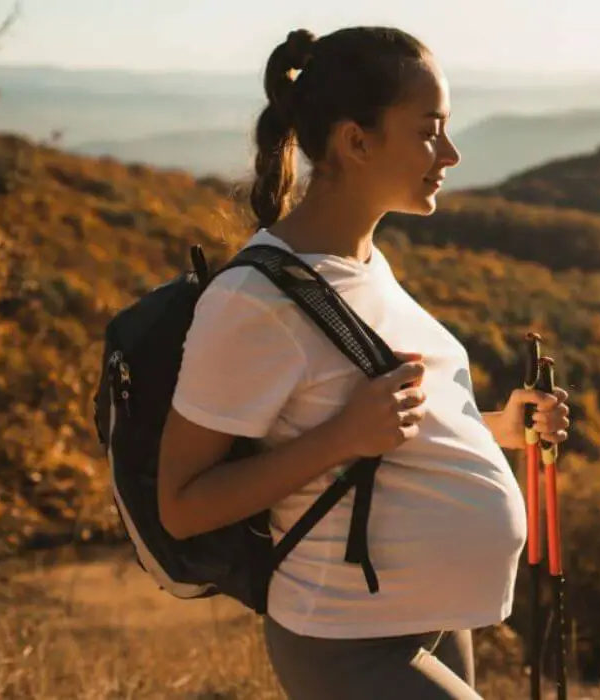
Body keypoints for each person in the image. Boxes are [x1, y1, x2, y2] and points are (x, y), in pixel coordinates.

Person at [156, 26, 570, 700]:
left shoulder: (363, 263)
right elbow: (181, 504)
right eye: (429, 131)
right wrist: (341, 438)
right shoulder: (252, 301)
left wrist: (498, 427)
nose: (452, 153)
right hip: (344, 638)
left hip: (424, 622)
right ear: (356, 141)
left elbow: (381, 421)